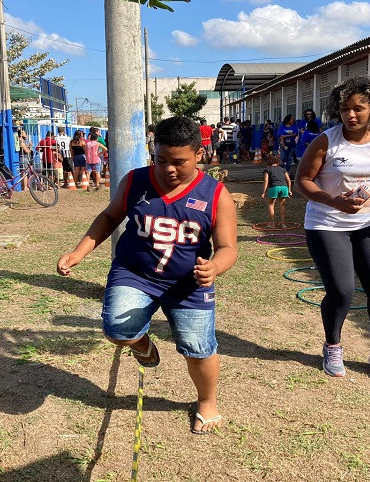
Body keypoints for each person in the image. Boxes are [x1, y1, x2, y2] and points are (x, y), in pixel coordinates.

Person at [57, 116, 238, 434]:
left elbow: (227, 247)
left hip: (188, 285)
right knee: (117, 328)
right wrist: (79, 252)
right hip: (135, 273)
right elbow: (110, 216)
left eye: (179, 162)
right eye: (161, 159)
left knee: (198, 348)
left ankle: (207, 402)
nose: (168, 168)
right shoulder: (134, 181)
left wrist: (216, 266)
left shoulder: (216, 195)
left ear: (199, 155)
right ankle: (141, 345)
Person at [294, 75, 370, 384]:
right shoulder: (327, 141)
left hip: (369, 224)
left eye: (359, 108)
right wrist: (333, 201)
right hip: (326, 224)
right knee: (341, 291)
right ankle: (332, 346)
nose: (351, 115)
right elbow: (302, 181)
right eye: (345, 109)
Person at [261, 153, 291, 228]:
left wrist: (264, 192)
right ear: (277, 162)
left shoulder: (267, 169)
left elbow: (266, 181)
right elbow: (289, 180)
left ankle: (272, 224)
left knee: (271, 205)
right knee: (282, 205)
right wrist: (289, 190)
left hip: (274, 187)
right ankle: (283, 224)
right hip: (284, 187)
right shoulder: (283, 169)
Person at [18, 127, 32, 191]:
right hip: (23, 158)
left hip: (24, 158)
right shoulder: (21, 141)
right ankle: (25, 187)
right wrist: (30, 148)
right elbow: (26, 151)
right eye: (24, 132)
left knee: (24, 173)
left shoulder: (22, 141)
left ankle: (25, 186)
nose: (26, 133)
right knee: (24, 173)